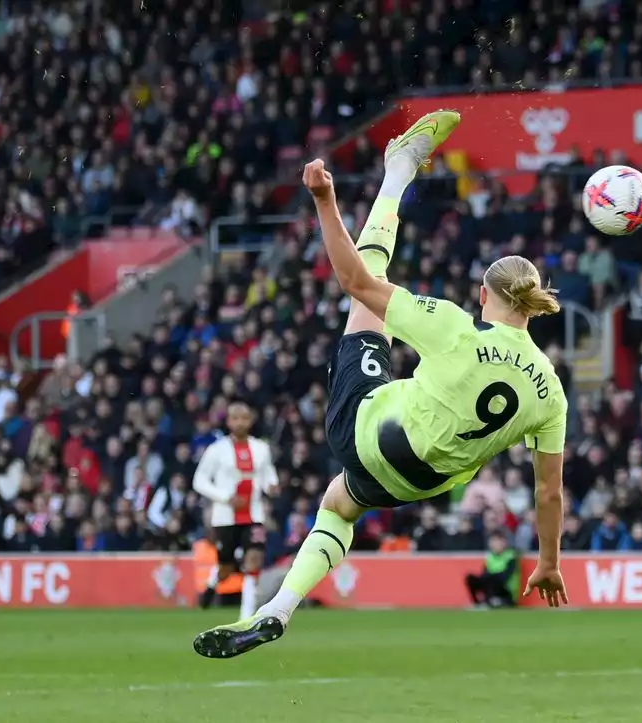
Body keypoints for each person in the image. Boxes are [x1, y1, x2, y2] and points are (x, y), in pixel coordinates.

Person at [194, 111, 570, 659]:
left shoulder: (455, 326)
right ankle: (276, 609)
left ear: (484, 295)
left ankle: (398, 170)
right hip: (422, 484)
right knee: (340, 503)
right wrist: (549, 562)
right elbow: (549, 492)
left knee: (367, 296)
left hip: (369, 432)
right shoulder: (551, 392)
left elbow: (353, 280)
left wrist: (324, 200)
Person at [191, 402, 279, 619]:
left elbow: (268, 474)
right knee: (227, 568)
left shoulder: (261, 448)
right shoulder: (217, 450)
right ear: (229, 421)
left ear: (251, 421)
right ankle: (213, 583)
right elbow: (199, 480)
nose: (240, 422)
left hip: (254, 514)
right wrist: (225, 497)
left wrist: (272, 485)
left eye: (245, 417)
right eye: (236, 418)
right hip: (225, 517)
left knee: (254, 559)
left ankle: (246, 616)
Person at [465, 531, 520, 608]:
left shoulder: (511, 557)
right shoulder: (490, 558)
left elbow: (505, 577)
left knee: (492, 578)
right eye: (494, 541)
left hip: (506, 591)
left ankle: (493, 601)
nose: (496, 544)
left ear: (504, 543)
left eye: (499, 541)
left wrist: (491, 576)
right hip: (491, 587)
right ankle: (477, 603)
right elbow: (484, 575)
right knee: (470, 578)